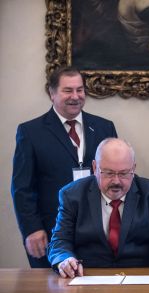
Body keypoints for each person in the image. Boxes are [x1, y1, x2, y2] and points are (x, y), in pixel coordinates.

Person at [11, 67, 118, 268]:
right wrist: (31, 229)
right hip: (51, 233)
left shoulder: (105, 127)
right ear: (51, 93)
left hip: (98, 233)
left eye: (80, 90)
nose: (75, 97)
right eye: (68, 90)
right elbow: (22, 188)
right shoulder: (30, 132)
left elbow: (117, 177)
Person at [48, 138, 149, 278]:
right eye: (108, 173)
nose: (116, 181)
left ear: (133, 169)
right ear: (95, 168)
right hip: (89, 278)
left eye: (123, 173)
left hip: (142, 278)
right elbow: (60, 240)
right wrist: (64, 259)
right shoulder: (72, 195)